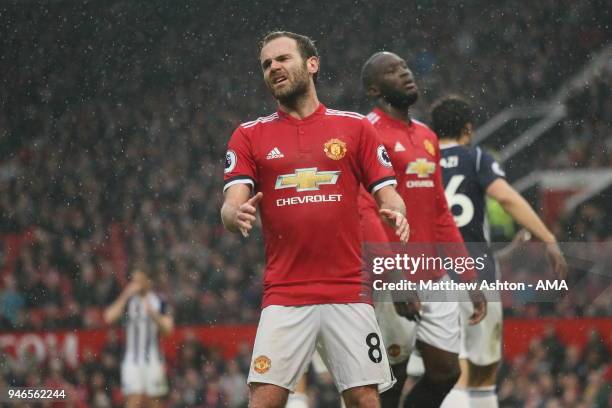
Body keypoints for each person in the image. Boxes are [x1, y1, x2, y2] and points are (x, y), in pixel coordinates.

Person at [220, 31, 410, 408]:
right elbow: (230, 204)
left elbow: (388, 191)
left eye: (282, 59)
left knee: (364, 400)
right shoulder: (249, 136)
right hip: (286, 293)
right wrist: (232, 214)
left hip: (348, 290)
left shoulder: (355, 128)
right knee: (264, 401)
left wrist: (396, 211)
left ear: (312, 64)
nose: (274, 67)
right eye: (266, 64)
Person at [357, 51, 487, 408]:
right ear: (373, 89)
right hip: (393, 280)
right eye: (392, 71)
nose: (405, 73)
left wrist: (468, 277)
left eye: (405, 68)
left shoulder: (427, 136)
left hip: (433, 275)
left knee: (447, 372)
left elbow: (440, 213)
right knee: (390, 382)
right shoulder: (366, 132)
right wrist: (393, 276)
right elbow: (364, 210)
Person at [433, 96, 567, 408]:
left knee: (452, 368)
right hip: (477, 276)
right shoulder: (476, 159)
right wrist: (547, 237)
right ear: (468, 128)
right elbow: (506, 198)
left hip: (433, 276)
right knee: (481, 371)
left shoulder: (420, 164)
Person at [103, 269, 174, 408]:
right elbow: (108, 317)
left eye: (139, 280)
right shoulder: (128, 301)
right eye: (134, 280)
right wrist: (125, 295)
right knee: (133, 400)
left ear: (148, 282)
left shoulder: (159, 300)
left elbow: (168, 330)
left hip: (154, 358)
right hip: (131, 359)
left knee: (154, 402)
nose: (136, 284)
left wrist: (153, 314)